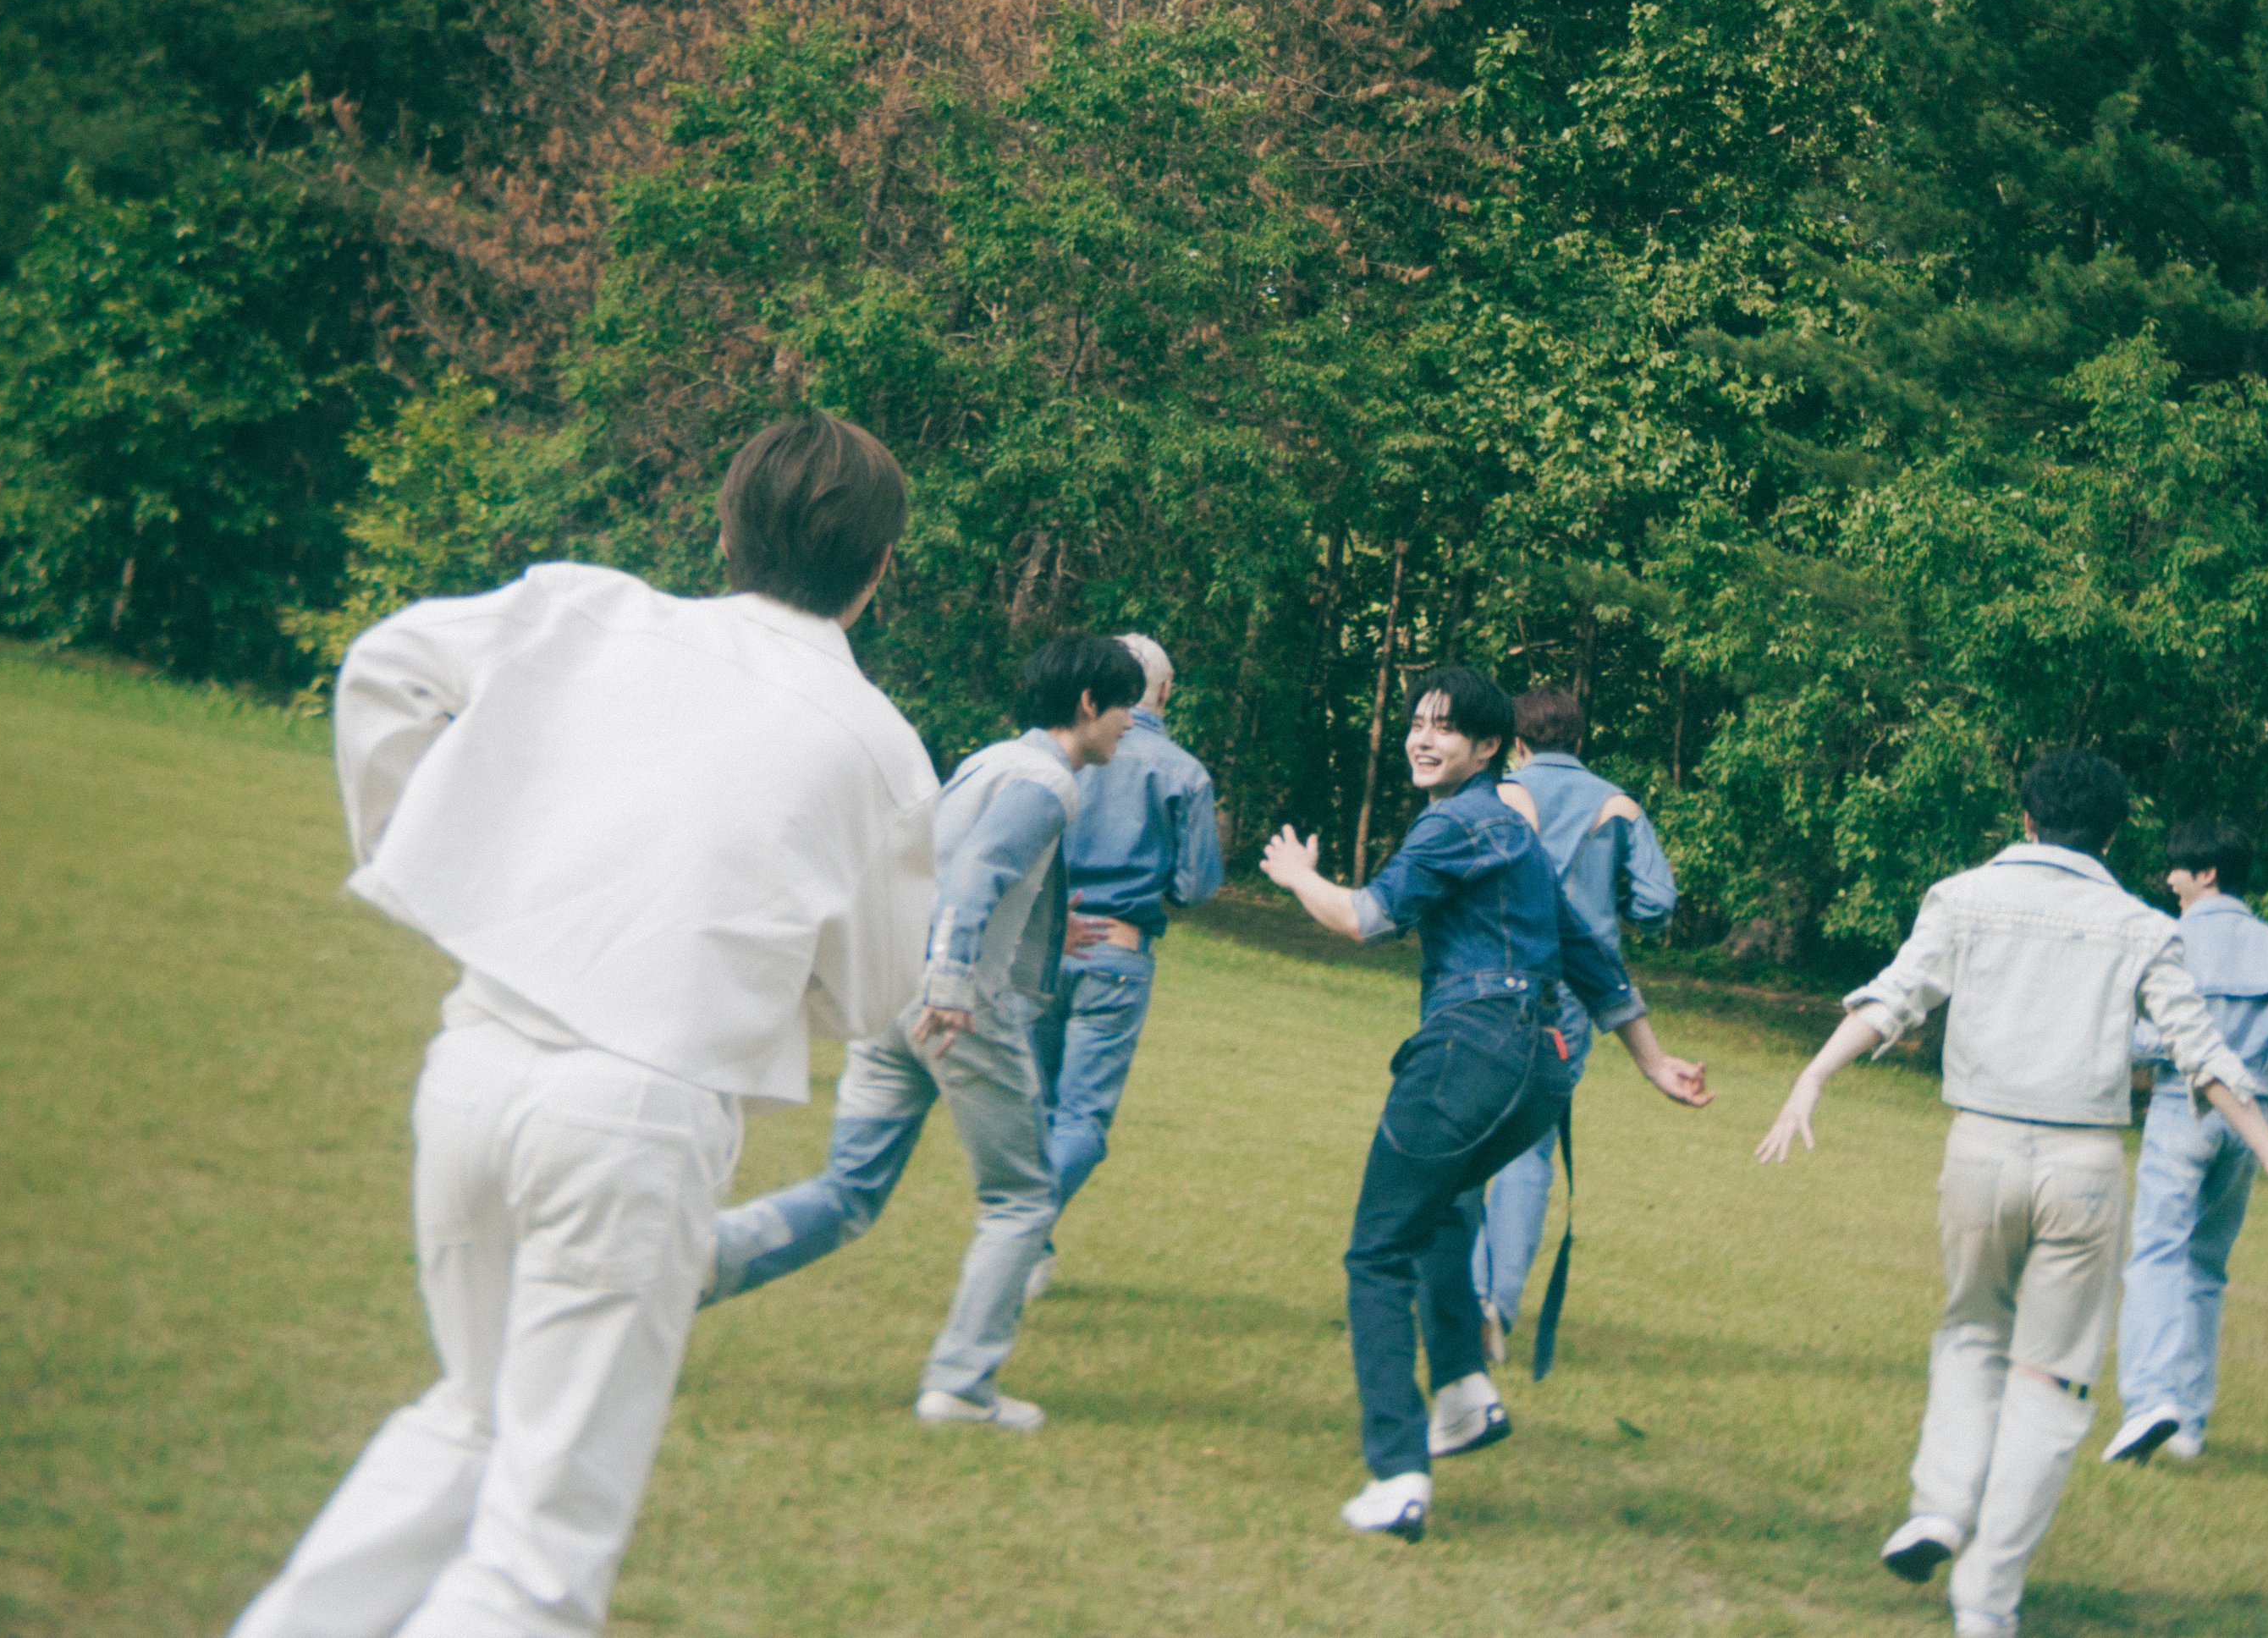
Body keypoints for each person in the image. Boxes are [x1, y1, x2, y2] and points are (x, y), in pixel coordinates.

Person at [229, 410, 935, 1638]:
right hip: (639, 1117)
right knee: (539, 1556)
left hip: (477, 1059)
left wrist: (431, 853)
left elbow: (385, 668)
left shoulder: (595, 609)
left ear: (727, 526)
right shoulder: (880, 749)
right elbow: (877, 997)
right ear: (880, 569)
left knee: (469, 1417)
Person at [1756, 749, 2268, 1638]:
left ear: (2027, 817)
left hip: (1979, 1150)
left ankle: (1937, 1507)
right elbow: (2201, 1050)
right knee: (2051, 1376)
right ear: (2111, 834)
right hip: (2082, 1167)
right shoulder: (2142, 924)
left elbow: (1895, 997)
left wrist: (1811, 1077)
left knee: (1970, 1332)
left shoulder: (1962, 895)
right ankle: (1987, 1599)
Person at [1260, 666, 1711, 1542]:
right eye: (1417, 723)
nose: (1423, 739)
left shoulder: (1454, 823)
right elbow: (1588, 952)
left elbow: (1365, 918)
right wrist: (1652, 1062)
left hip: (1469, 1051)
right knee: (1438, 1214)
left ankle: (1396, 1475)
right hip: (1540, 1070)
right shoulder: (1507, 826)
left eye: (1445, 728)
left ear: (1489, 746)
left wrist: (1295, 877)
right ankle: (1464, 1391)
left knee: (1375, 1252)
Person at [696, 631, 1146, 1432]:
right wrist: (953, 983)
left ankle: (689, 1266)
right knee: (1022, 1197)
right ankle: (962, 1385)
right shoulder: (1048, 781)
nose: (1129, 727)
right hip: (958, 1010)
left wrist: (1043, 926)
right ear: (1088, 704)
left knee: (849, 1191)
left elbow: (949, 865)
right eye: (1124, 710)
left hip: (898, 1002)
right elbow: (978, 875)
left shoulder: (989, 761)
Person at [2101, 816, 2268, 1467]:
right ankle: (2192, 1425)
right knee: (2205, 1268)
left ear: (2206, 873)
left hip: (2184, 1103)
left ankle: (2149, 1401)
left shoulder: (2167, 938)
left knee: (2154, 1254)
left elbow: (2137, 1037)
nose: (2169, 878)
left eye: (2177, 866)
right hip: (2253, 1117)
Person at [1469, 684, 1676, 1359]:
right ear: (1579, 741)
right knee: (1530, 1149)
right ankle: (1497, 1305)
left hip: (1498, 977)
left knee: (1472, 1133)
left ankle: (1464, 1292)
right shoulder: (1617, 802)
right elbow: (1657, 898)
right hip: (1579, 993)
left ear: (1517, 741)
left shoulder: (1499, 791)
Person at [1026, 630, 1219, 1289]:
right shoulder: (1183, 771)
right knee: (1083, 1118)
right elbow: (1196, 886)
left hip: (1047, 943)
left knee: (1039, 1103)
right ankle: (1019, 1228)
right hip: (1117, 951)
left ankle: (1027, 1241)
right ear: (1164, 690)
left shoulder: (1057, 751)